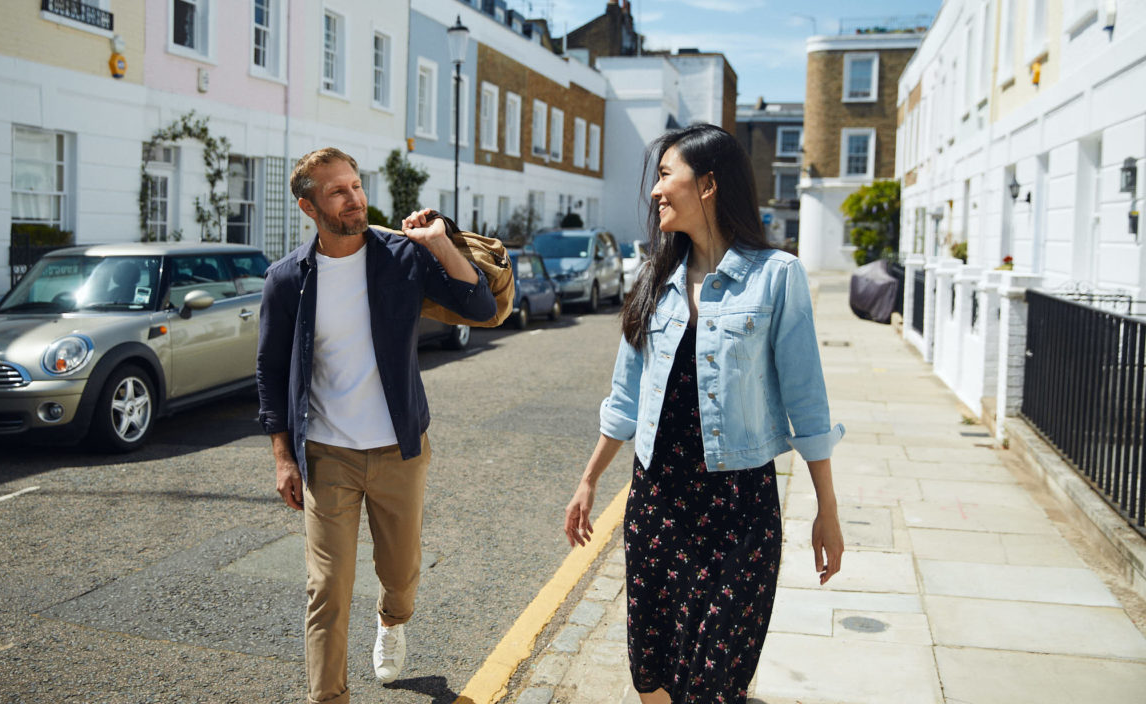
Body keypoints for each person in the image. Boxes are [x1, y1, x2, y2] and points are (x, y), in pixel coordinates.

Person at [563, 123, 845, 703]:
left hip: (738, 510)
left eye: (667, 175)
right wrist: (589, 480)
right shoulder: (653, 281)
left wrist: (827, 510)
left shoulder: (776, 277)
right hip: (657, 504)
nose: (654, 191)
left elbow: (807, 402)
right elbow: (624, 397)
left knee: (714, 684)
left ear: (709, 184)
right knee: (653, 673)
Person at [256, 147, 496, 704]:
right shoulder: (287, 279)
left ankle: (392, 620)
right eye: (338, 191)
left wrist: (437, 242)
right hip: (327, 453)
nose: (355, 198)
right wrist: (283, 457)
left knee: (401, 570)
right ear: (308, 206)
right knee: (328, 588)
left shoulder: (399, 258)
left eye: (356, 186)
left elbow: (481, 306)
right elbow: (269, 372)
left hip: (398, 448)